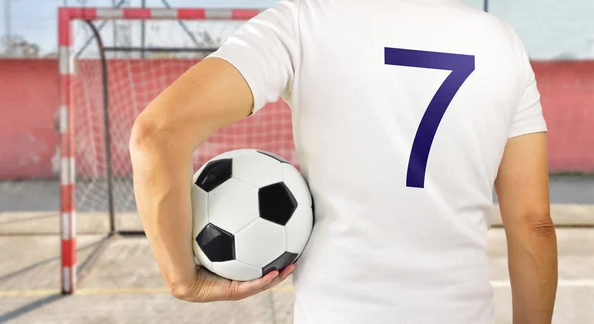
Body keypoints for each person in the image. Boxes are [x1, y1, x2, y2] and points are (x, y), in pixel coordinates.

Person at [129, 0, 558, 323]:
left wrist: (182, 279)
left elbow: (156, 135)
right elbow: (533, 225)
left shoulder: (303, 21)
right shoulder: (502, 44)